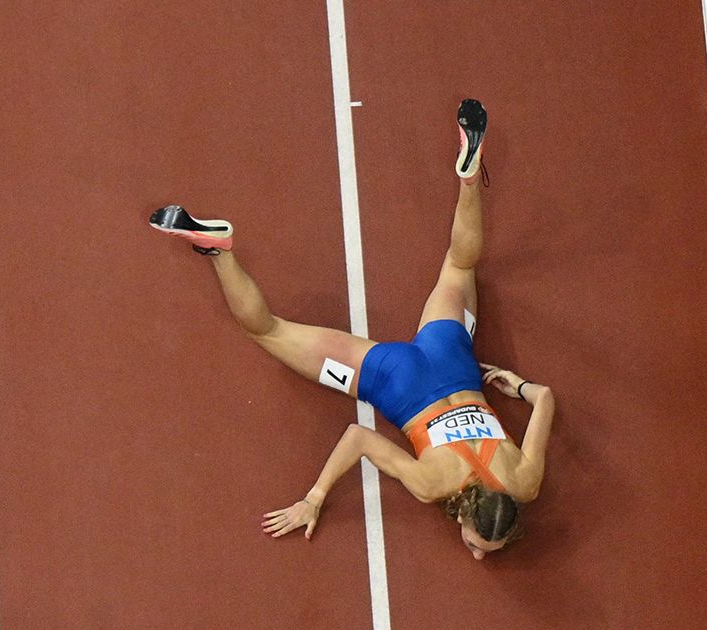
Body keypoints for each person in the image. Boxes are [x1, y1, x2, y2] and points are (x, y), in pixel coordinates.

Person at [147, 99, 556, 559]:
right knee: (268, 332)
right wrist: (314, 498)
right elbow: (358, 437)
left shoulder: (524, 481)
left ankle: (468, 178)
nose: (478, 554)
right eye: (478, 543)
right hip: (395, 380)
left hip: (454, 361)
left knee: (460, 264)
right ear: (465, 513)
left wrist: (517, 385)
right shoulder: (430, 485)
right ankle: (219, 251)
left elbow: (545, 398)